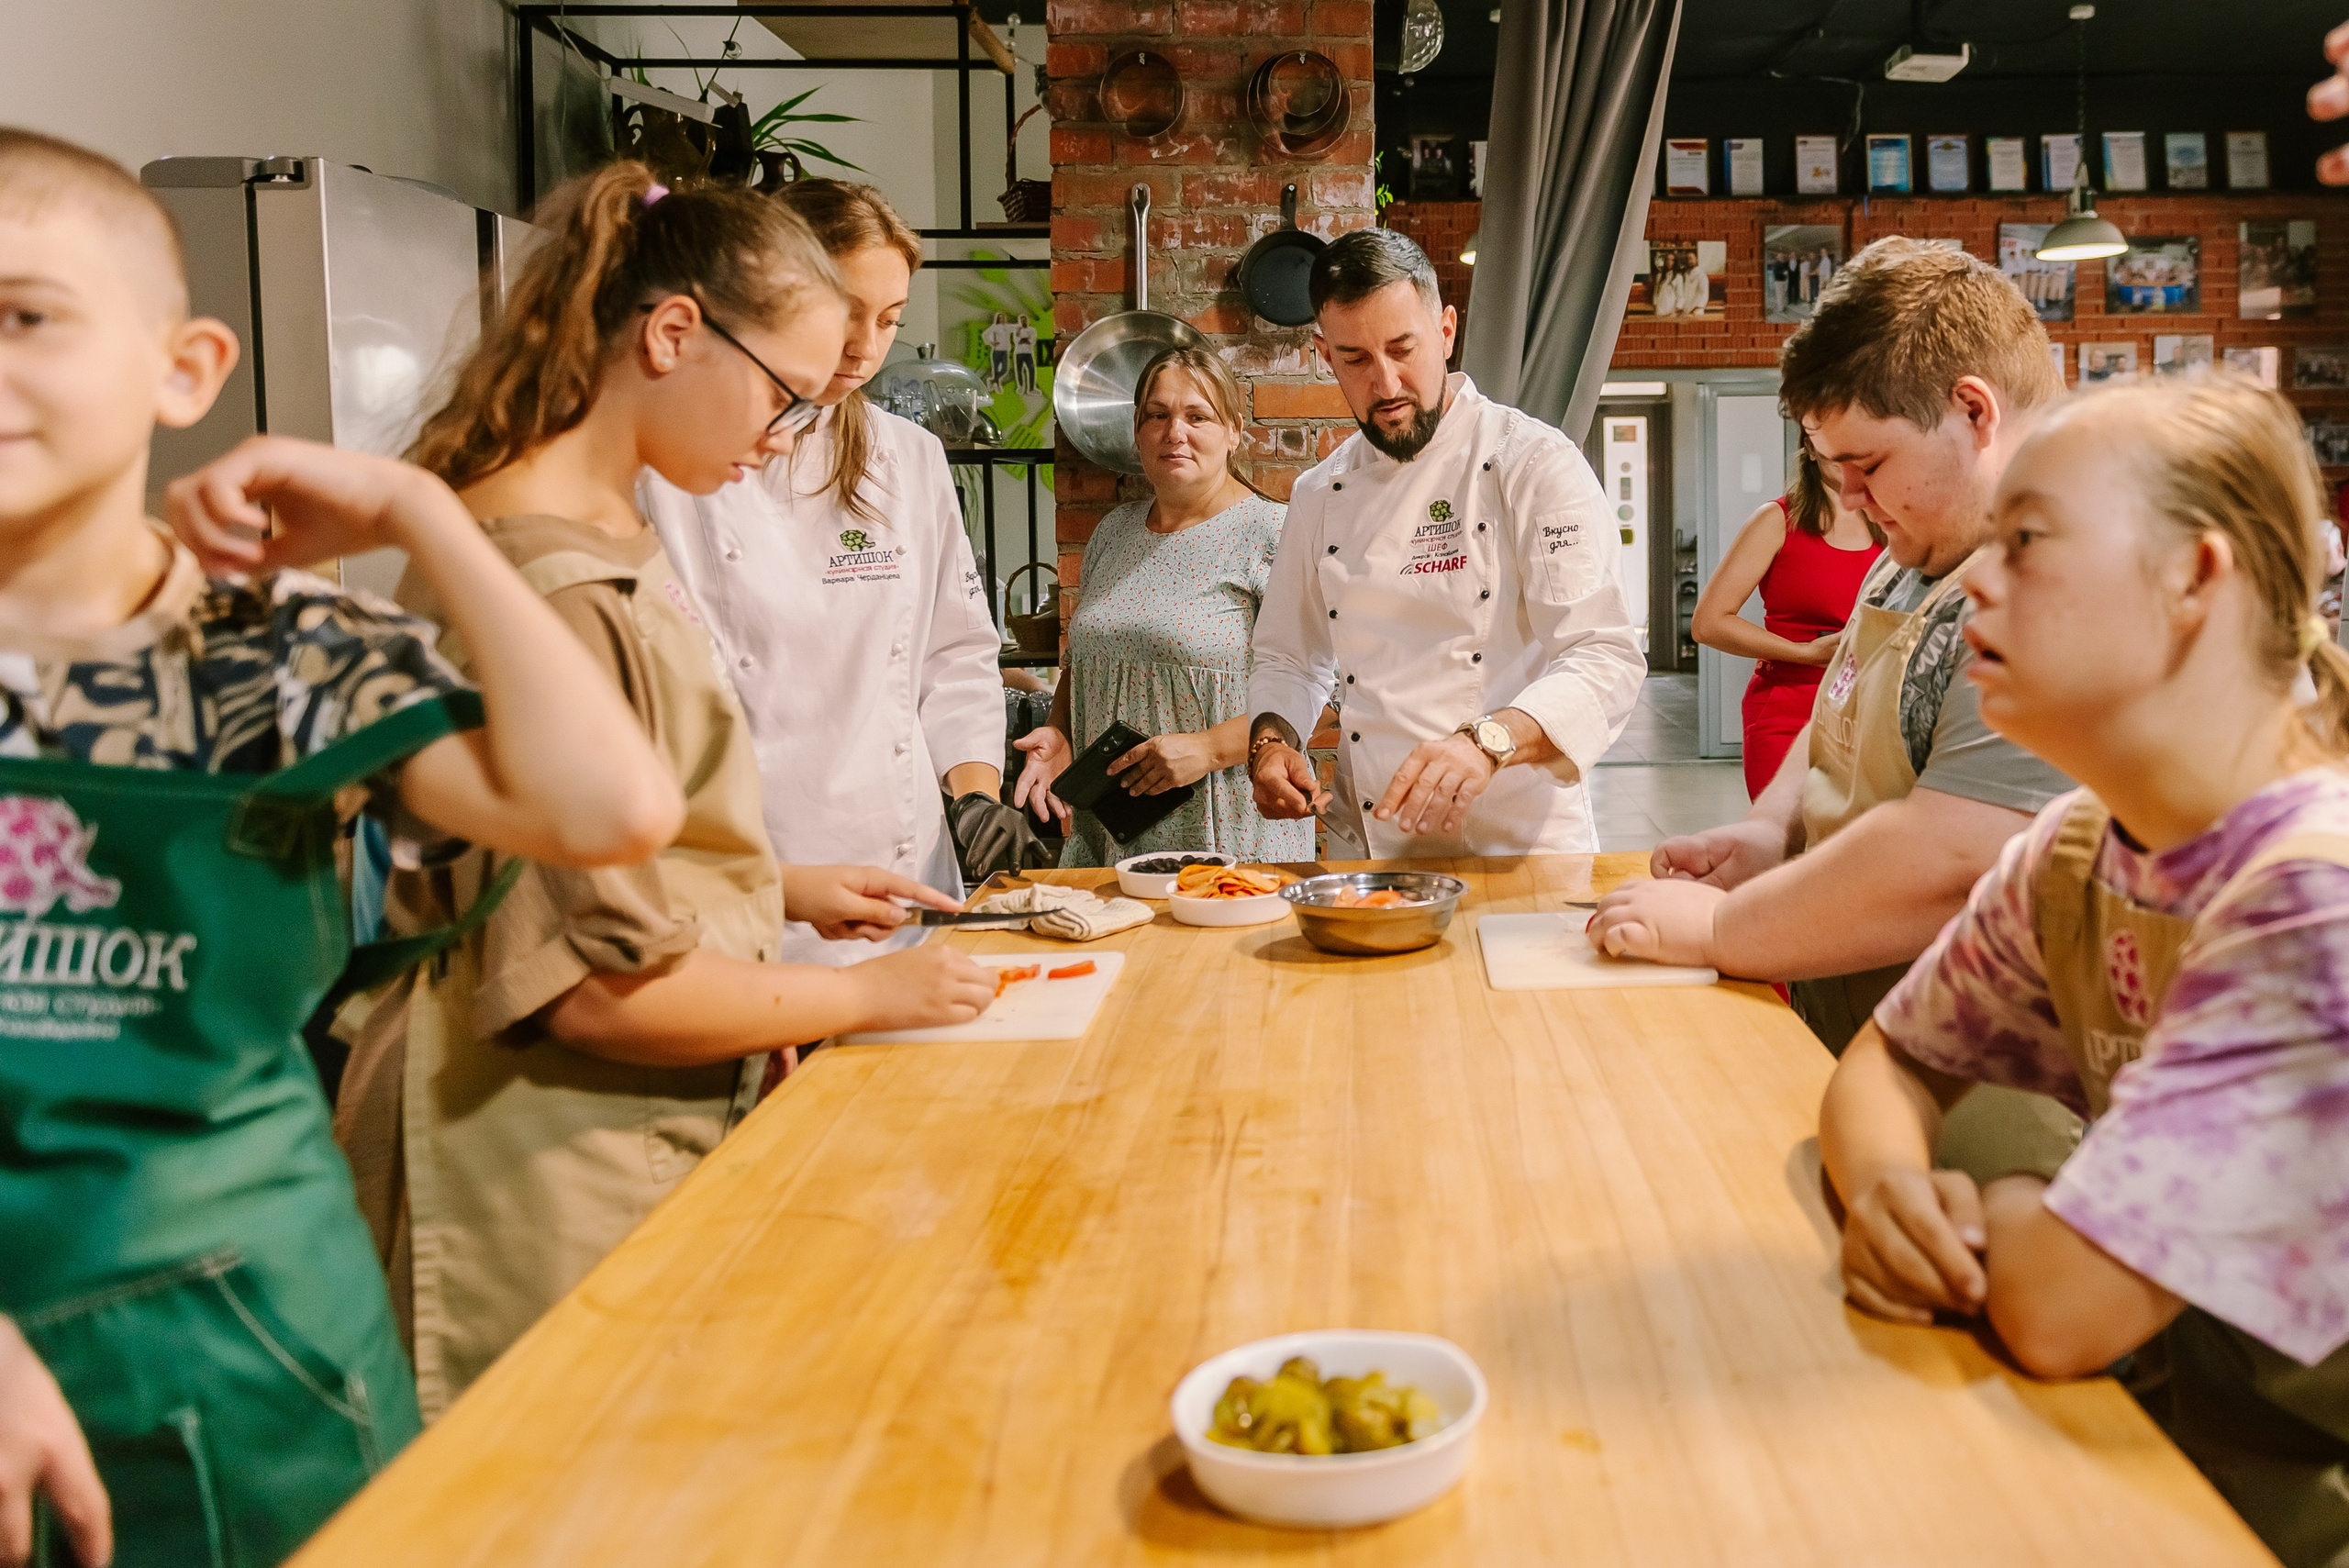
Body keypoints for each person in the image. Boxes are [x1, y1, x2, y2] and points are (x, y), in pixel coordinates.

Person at [0, 129, 683, 1567]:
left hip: (252, 1354)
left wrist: (419, 510)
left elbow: (611, 809)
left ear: (185, 370)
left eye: (26, 316)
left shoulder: (282, 651)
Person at [339, 164, 996, 1419]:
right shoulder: (550, 585)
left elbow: (582, 855)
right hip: (539, 1168)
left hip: (617, 1132)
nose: (787, 433)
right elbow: (589, 988)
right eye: (782, 393)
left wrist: (771, 888)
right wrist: (863, 994)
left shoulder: (595, 537)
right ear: (672, 335)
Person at [1820, 374, 2348, 1568]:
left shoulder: (2311, 898)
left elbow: (2060, 1309)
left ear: (2194, 577)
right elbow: (1887, 1061)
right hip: (2169, 1472)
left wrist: (2008, 1196)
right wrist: (1896, 1188)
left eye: (2029, 540)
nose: (1976, 578)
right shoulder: (2077, 847)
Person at [1589, 239, 2078, 1179]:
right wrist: (1771, 831)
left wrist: (1725, 930)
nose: (1848, 496)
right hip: (1867, 1044)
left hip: (1991, 1102)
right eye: (1832, 465)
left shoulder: (2052, 580)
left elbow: (1957, 860)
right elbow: (1836, 713)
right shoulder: (1905, 555)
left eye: (1868, 463)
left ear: (1973, 411)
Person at [640, 179, 1038, 968]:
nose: (864, 346)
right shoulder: (673, 463)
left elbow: (955, 651)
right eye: (846, 311)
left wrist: (974, 796)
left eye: (889, 320)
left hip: (902, 858)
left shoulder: (909, 457)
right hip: (750, 869)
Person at [1247, 229, 1644, 859]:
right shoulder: (1319, 493)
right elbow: (1288, 658)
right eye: (1355, 359)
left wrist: (1488, 741)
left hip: (1514, 850)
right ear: (1325, 356)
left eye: (1402, 349)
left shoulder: (1532, 462)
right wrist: (1270, 745)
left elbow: (1603, 656)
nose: (1385, 383)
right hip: (1370, 852)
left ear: (1446, 330)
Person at [1008, 347, 1312, 866]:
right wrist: (1061, 732)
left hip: (1227, 829)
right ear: (1137, 430)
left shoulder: (1273, 534)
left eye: (1198, 416)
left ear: (1234, 431)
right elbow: (1082, 664)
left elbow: (1325, 695)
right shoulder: (1113, 533)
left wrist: (1208, 749)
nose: (1175, 432)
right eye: (1157, 415)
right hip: (1108, 831)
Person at [1692, 441, 1883, 798]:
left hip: (1874, 709)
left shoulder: (1892, 521)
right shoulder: (1777, 520)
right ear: (1809, 447)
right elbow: (1709, 623)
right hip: (1788, 707)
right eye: (1832, 443)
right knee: (1785, 829)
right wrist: (1804, 653)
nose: (1846, 455)